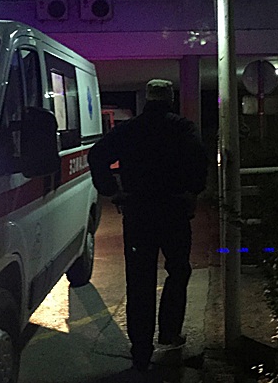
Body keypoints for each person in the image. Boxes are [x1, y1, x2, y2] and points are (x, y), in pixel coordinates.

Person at [88, 79, 208, 372]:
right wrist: (192, 191)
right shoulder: (183, 128)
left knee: (139, 278)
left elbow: (97, 155)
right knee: (178, 270)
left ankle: (141, 346)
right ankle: (169, 332)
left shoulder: (130, 129)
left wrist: (112, 191)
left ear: (146, 100)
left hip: (138, 212)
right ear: (170, 99)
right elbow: (199, 161)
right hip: (174, 211)